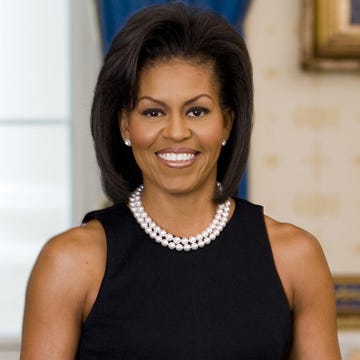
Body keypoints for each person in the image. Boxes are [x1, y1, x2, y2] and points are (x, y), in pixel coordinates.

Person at [20, 2, 341, 359]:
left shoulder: (295, 257)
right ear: (126, 125)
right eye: (153, 111)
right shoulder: (69, 262)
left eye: (197, 111)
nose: (176, 131)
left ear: (228, 124)